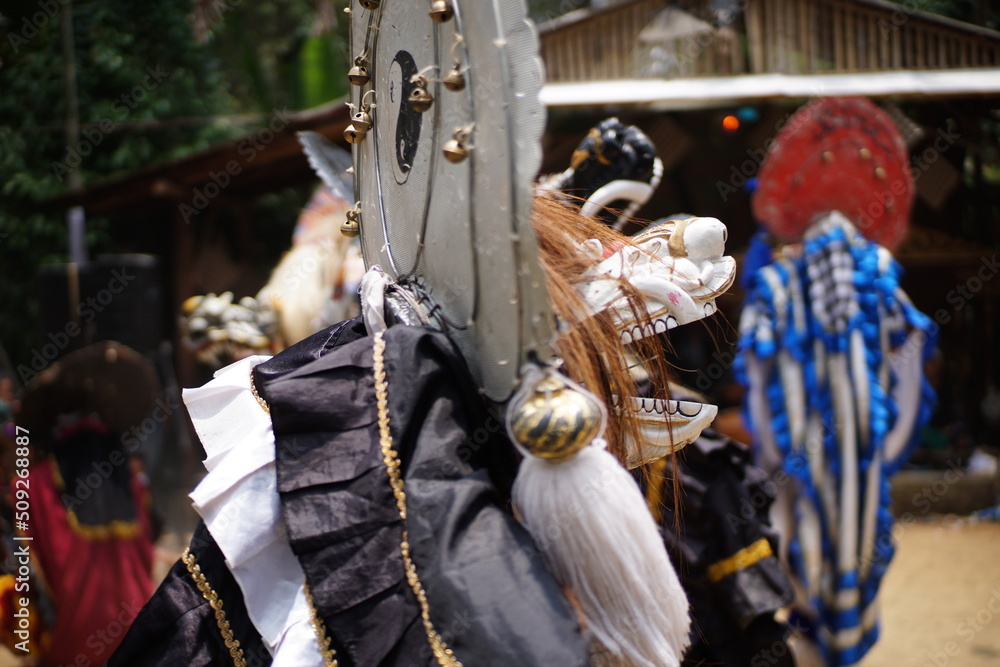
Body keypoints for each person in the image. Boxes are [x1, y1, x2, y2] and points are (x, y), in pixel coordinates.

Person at [736, 97, 936, 666]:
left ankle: (820, 642)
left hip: (801, 459)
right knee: (849, 552)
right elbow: (911, 355)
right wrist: (886, 445)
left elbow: (756, 367)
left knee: (804, 550)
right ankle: (837, 645)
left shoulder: (777, 286)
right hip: (851, 458)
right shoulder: (877, 280)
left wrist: (777, 447)